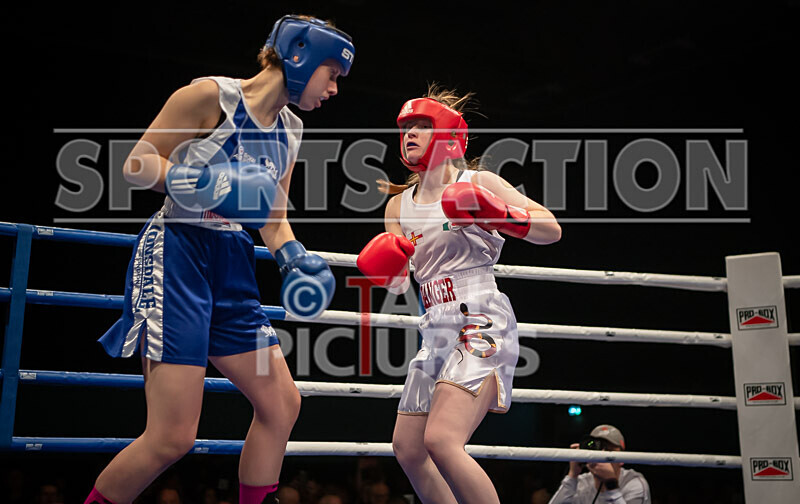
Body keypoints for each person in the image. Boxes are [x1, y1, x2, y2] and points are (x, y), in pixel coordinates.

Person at [83, 15, 355, 504]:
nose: (335, 88)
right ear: (300, 55)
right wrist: (212, 184)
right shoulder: (211, 96)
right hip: (179, 254)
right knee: (172, 437)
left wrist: (293, 256)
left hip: (233, 264)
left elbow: (272, 215)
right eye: (332, 74)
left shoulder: (291, 128)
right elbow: (137, 164)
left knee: (281, 404)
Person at [357, 85, 561, 504]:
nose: (409, 134)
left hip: (479, 316)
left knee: (443, 440)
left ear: (449, 134)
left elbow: (551, 229)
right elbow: (397, 282)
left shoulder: (478, 181)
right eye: (406, 127)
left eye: (421, 126)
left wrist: (500, 214)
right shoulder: (397, 207)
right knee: (409, 448)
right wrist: (387, 266)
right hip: (433, 325)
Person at [549, 424, 651, 504]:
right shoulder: (581, 483)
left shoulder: (634, 483)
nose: (601, 456)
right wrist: (572, 475)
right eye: (597, 449)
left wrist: (611, 485)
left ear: (621, 459)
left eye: (608, 450)